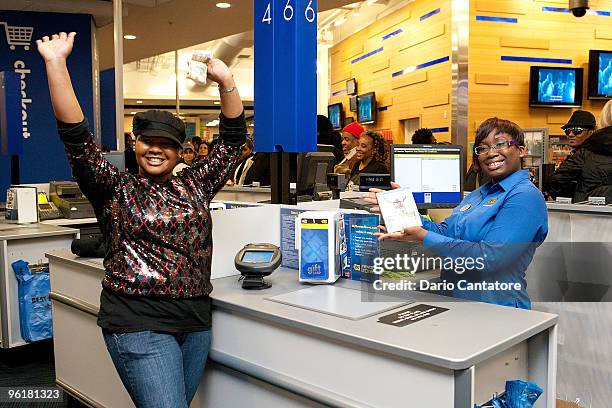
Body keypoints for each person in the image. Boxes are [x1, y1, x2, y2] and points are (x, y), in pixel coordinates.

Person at [37, 32, 246, 407]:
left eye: (166, 143)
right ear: (135, 143)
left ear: (181, 151)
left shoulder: (195, 184)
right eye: (148, 140)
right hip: (137, 322)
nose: (156, 149)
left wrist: (227, 82)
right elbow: (76, 138)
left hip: (194, 323)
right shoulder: (113, 187)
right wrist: (56, 64)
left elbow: (232, 142)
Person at [365, 118, 548, 309]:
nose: (491, 153)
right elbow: (446, 231)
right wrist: (405, 213)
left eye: (500, 144)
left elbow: (491, 258)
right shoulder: (479, 194)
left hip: (497, 308)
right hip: (457, 302)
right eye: (482, 148)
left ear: (521, 149)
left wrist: (424, 237)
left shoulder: (525, 196)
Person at [547, 103, 612, 203]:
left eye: (577, 130)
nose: (571, 134)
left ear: (591, 132)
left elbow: (556, 182)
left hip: (591, 212)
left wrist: (575, 194)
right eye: (567, 131)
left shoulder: (584, 154)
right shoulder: (582, 154)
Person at [333, 122, 364, 186]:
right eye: (342, 139)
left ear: (358, 140)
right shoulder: (349, 155)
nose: (343, 143)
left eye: (347, 139)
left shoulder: (357, 157)